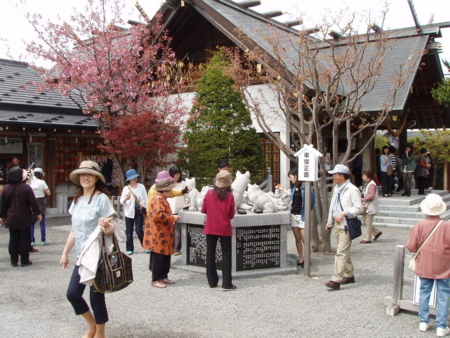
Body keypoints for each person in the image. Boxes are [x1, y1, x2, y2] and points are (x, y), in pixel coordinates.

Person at [60, 161, 116, 338]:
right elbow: (74, 230)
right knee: (72, 294)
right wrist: (65, 253)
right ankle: (91, 325)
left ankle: (100, 333)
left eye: (89, 174)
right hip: (81, 256)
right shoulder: (76, 201)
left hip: (98, 256)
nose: (85, 177)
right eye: (82, 174)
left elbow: (111, 230)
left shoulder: (102, 199)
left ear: (96, 178)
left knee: (96, 297)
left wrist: (106, 226)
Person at [405, 194, 450, 337]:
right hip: (444, 264)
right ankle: (441, 326)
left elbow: (411, 247)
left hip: (425, 264)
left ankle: (423, 321)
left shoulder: (419, 225)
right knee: (444, 295)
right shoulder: (447, 226)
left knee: (424, 292)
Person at [324, 164, 362, 291]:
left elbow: (358, 208)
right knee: (343, 251)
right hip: (337, 224)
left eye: (335, 174)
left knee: (340, 252)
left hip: (346, 224)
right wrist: (330, 223)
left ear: (342, 176)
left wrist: (344, 213)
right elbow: (332, 206)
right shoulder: (337, 188)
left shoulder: (352, 189)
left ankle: (336, 280)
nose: (333, 176)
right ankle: (349, 274)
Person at [201, 170, 236, 290]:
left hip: (210, 227)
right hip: (225, 228)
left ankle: (212, 281)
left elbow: (203, 209)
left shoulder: (209, 193)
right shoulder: (230, 196)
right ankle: (226, 283)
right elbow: (231, 215)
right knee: (226, 255)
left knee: (210, 254)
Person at [143, 177, 180, 288]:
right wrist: (172, 217)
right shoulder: (158, 199)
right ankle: (156, 279)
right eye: (169, 190)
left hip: (162, 233)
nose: (170, 192)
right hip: (157, 233)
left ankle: (163, 276)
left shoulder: (160, 198)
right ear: (164, 190)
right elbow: (158, 215)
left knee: (165, 255)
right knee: (158, 256)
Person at [0, 168, 42, 267]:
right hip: (24, 217)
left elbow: (2, 205)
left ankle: (13, 261)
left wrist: (3, 216)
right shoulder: (26, 187)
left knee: (13, 239)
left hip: (11, 217)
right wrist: (38, 213)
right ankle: (24, 260)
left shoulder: (6, 188)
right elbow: (33, 202)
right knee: (24, 239)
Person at [276, 168, 315, 267]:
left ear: (296, 176)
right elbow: (292, 196)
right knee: (297, 238)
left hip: (302, 215)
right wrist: (283, 189)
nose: (290, 179)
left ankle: (307, 258)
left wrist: (307, 210)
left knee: (304, 238)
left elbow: (312, 201)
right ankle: (301, 257)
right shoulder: (294, 187)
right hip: (294, 214)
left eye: (291, 177)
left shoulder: (306, 187)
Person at [120, 169, 147, 255]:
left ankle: (145, 246)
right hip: (129, 211)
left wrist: (145, 208)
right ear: (129, 179)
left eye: (135, 177)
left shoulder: (141, 186)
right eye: (132, 178)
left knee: (139, 230)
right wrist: (126, 199)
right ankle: (130, 248)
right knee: (129, 232)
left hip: (139, 210)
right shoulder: (126, 188)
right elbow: (121, 201)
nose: (134, 179)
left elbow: (145, 198)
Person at [167, 165, 187, 256]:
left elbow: (187, 197)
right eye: (176, 174)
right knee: (169, 231)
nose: (177, 176)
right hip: (169, 210)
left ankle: (177, 248)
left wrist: (185, 205)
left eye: (179, 174)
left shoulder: (183, 184)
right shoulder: (168, 184)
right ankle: (169, 247)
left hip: (179, 210)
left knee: (178, 231)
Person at [359, 169, 382, 244]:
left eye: (364, 176)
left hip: (370, 205)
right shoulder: (369, 183)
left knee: (368, 222)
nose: (363, 177)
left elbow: (371, 196)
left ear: (368, 176)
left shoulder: (371, 185)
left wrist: (364, 199)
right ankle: (376, 232)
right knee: (365, 221)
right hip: (368, 205)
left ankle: (367, 238)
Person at [29, 168, 51, 246]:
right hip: (41, 203)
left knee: (31, 223)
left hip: (31, 203)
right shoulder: (42, 182)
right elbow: (48, 193)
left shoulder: (30, 182)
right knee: (42, 222)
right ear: (40, 174)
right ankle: (43, 240)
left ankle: (32, 240)